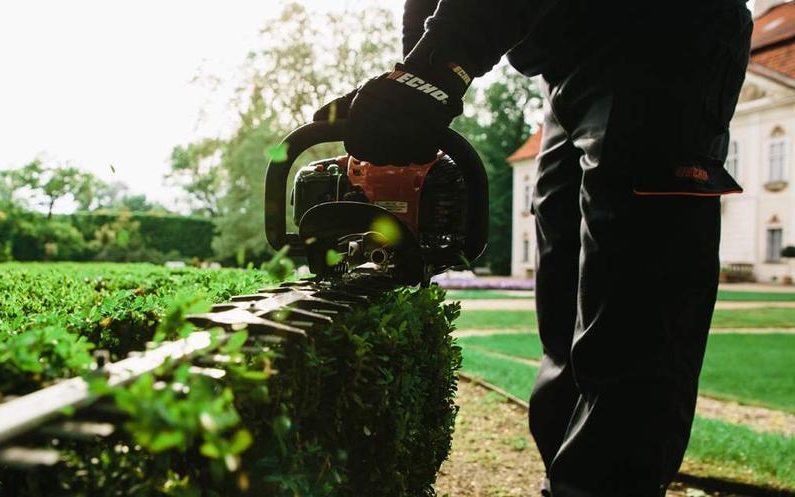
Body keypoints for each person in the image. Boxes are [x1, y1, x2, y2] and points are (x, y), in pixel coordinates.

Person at [314, 1, 753, 496]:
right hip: (568, 62)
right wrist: (418, 88)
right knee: (563, 307)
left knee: (632, 322)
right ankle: (566, 481)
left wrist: (441, 66)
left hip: (663, 35)